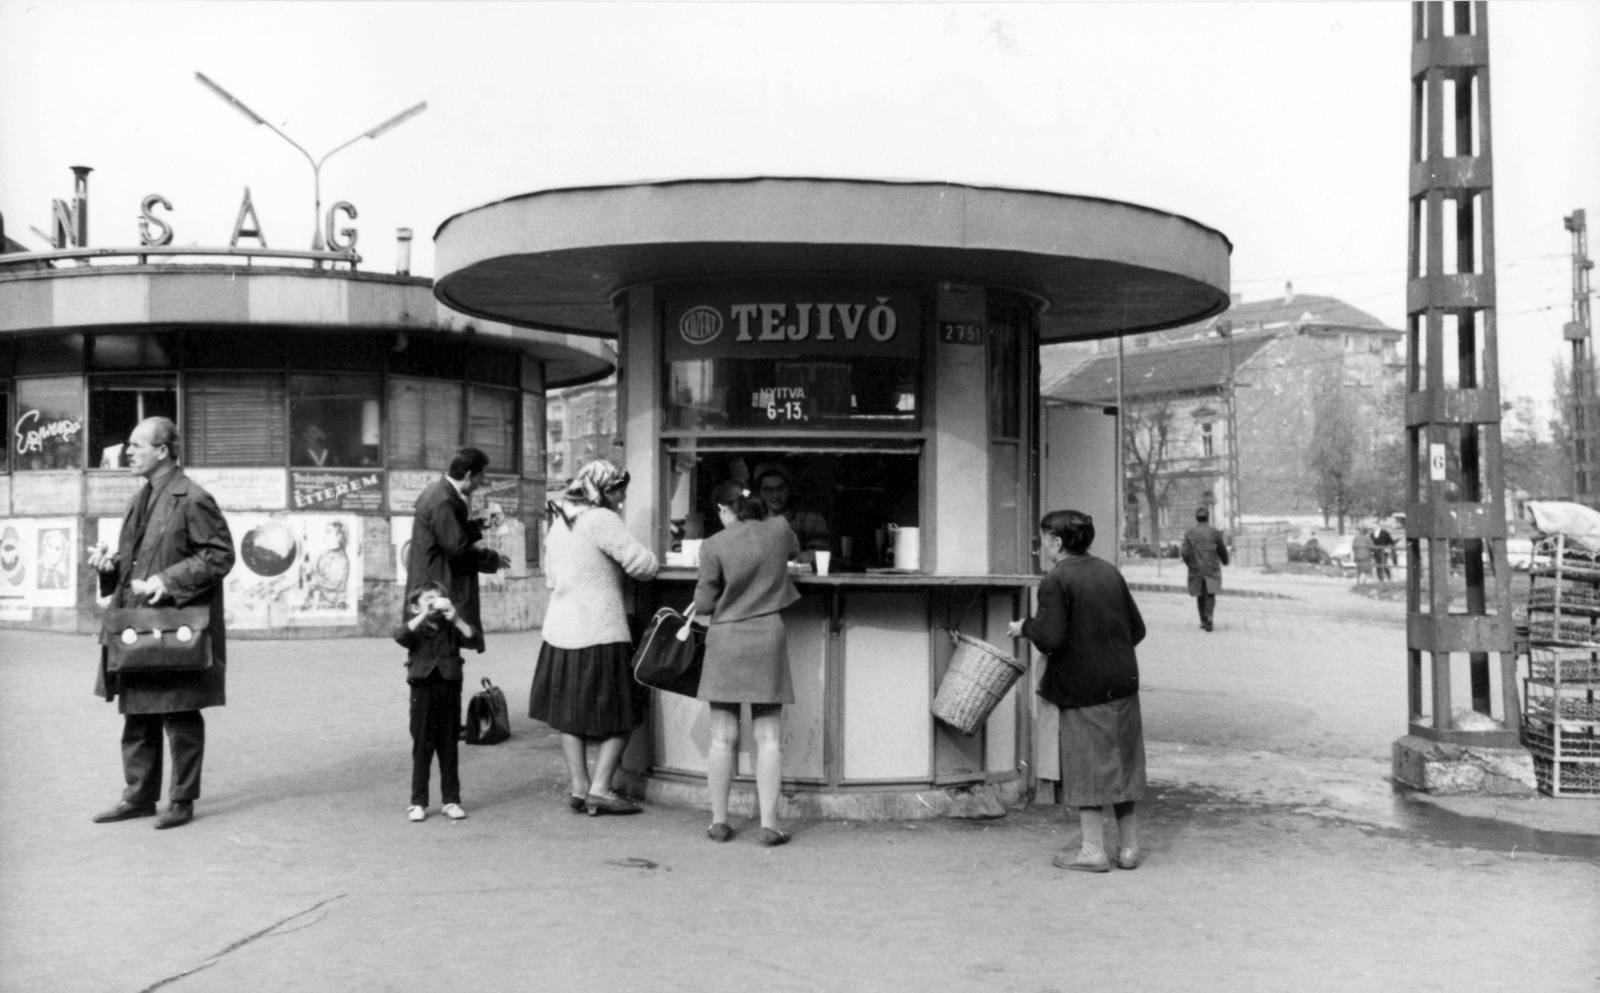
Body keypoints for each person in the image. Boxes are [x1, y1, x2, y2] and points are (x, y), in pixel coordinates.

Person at [88, 417, 235, 830]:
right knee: (137, 711)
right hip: (137, 623)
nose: (128, 452)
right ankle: (138, 797)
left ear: (163, 450)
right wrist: (108, 566)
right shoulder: (142, 498)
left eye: (136, 445)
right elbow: (134, 563)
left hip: (174, 627)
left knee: (180, 711)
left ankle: (182, 800)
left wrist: (165, 582)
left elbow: (219, 556)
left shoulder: (193, 498)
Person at [1008, 509, 1147, 872]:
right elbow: (1137, 630)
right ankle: (1129, 849)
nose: (1041, 549)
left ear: (1057, 542)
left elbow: (1050, 638)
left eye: (1043, 541)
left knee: (1088, 768)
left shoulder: (1056, 580)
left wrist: (1026, 626)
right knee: (1124, 765)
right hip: (1124, 683)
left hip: (1084, 689)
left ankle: (1093, 851)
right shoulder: (1109, 571)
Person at [530, 460, 659, 816]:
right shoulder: (601, 519)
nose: (620, 498)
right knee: (624, 710)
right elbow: (644, 566)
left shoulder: (560, 522)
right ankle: (601, 788)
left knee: (569, 714)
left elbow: (552, 577)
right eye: (618, 490)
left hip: (560, 632)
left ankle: (580, 786)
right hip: (599, 629)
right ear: (603, 490)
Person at [693, 479, 801, 846]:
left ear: (725, 510)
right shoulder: (779, 528)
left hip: (726, 641)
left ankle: (720, 822)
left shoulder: (712, 545)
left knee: (722, 738)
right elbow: (794, 552)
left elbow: (704, 604)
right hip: (767, 638)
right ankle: (769, 825)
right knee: (768, 738)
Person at [405, 447, 507, 668]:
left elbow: (449, 535)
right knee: (440, 653)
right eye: (481, 477)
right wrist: (493, 559)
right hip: (436, 584)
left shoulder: (438, 493)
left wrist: (478, 525)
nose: (481, 484)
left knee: (437, 648)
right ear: (469, 475)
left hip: (432, 581)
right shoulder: (443, 500)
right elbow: (457, 548)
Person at [395, 581, 477, 822]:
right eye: (427, 598)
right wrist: (422, 616)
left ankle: (451, 801)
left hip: (449, 686)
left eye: (438, 597)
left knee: (448, 746)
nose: (434, 601)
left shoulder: (450, 625)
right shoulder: (415, 627)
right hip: (422, 688)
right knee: (422, 746)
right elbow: (399, 635)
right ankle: (417, 802)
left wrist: (457, 619)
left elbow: (474, 639)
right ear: (414, 607)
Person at [751, 463, 830, 563]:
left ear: (789, 489)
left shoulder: (810, 517)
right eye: (768, 490)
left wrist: (790, 560)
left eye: (780, 489)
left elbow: (821, 553)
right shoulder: (753, 519)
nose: (775, 496)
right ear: (760, 492)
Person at [1180, 506, 1229, 632]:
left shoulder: (1189, 533)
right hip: (1211, 567)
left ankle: (1203, 619)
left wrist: (1190, 564)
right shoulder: (1215, 533)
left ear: (1196, 518)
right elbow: (1221, 549)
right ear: (1208, 518)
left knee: (1200, 594)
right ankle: (1209, 617)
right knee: (1210, 594)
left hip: (1196, 568)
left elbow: (1184, 553)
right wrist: (1225, 561)